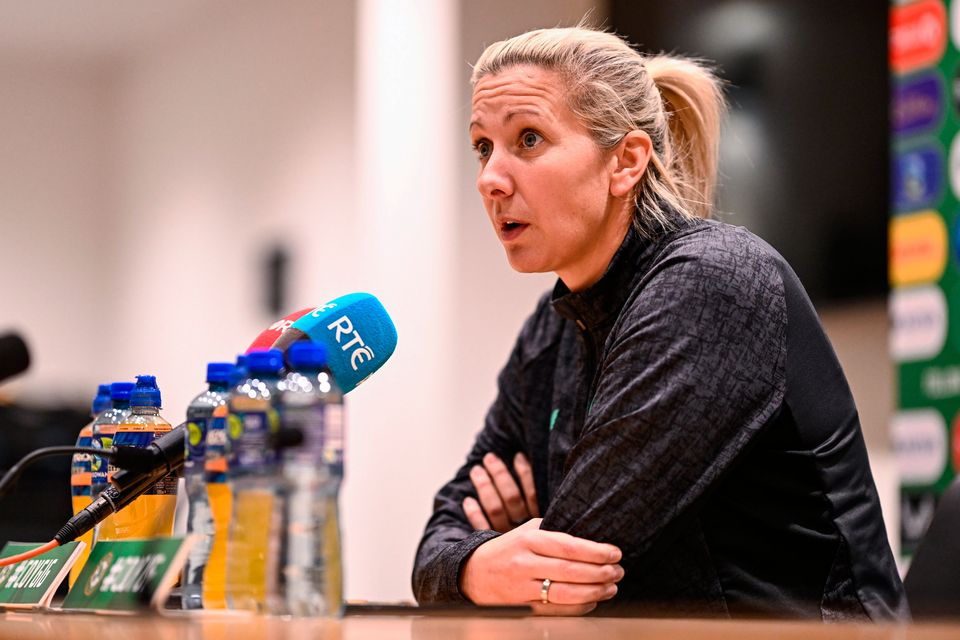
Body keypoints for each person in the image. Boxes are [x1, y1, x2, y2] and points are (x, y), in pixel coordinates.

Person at [412, 26, 908, 620]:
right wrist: (477, 564)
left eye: (528, 139)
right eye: (483, 147)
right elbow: (438, 541)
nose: (491, 178)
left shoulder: (713, 283)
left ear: (624, 162)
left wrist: (513, 544)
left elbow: (580, 549)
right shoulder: (550, 329)